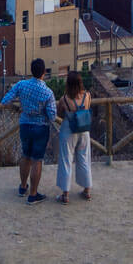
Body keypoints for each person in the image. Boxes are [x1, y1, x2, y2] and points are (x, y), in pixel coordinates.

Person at [1, 57, 56, 206]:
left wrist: (18, 109)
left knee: (25, 156)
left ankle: (23, 187)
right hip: (40, 127)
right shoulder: (48, 92)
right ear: (44, 72)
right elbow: (52, 116)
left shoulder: (22, 85)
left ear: (31, 71)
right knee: (37, 160)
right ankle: (33, 195)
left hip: (25, 124)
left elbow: (5, 101)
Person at [54, 70, 92, 205]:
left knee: (66, 161)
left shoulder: (64, 99)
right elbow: (88, 108)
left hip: (68, 131)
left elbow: (59, 113)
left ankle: (65, 194)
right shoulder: (87, 95)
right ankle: (87, 190)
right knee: (84, 159)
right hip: (84, 130)